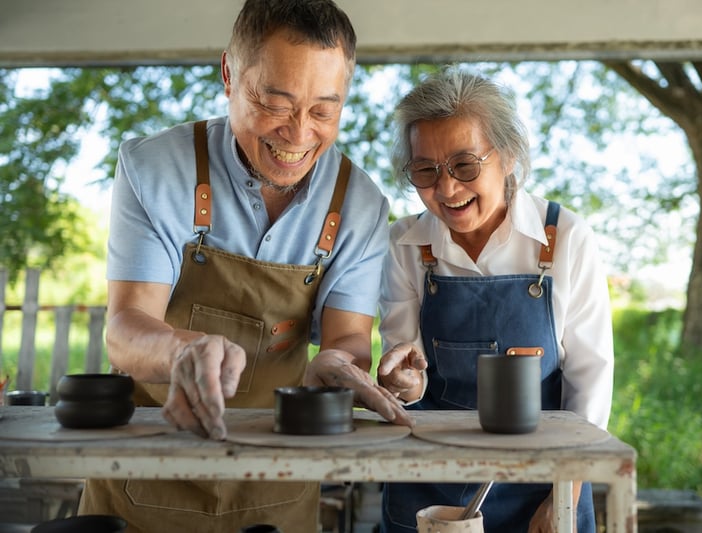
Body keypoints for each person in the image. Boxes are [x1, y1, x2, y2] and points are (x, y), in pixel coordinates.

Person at [77, 1, 411, 532]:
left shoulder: (361, 205)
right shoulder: (154, 168)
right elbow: (125, 328)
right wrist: (179, 350)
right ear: (230, 74)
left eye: (324, 110)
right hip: (142, 477)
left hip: (275, 488)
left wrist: (337, 367)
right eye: (275, 103)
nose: (299, 136)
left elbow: (347, 340)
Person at [376, 68, 614, 532]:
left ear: (507, 157)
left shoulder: (563, 238)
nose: (447, 189)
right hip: (431, 484)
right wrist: (401, 381)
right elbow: (408, 377)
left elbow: (590, 386)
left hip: (545, 480)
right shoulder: (404, 244)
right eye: (426, 170)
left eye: (465, 165)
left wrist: (564, 495)